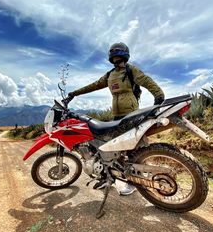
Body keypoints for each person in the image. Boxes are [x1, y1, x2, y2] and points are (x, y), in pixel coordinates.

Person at [66, 42, 165, 195]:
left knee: (134, 147)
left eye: (119, 54)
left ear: (124, 55)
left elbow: (146, 80)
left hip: (131, 113)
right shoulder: (110, 75)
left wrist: (158, 94)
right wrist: (75, 93)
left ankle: (134, 182)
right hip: (116, 114)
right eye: (114, 55)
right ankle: (108, 178)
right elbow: (94, 85)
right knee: (114, 148)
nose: (116, 57)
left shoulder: (130, 69)